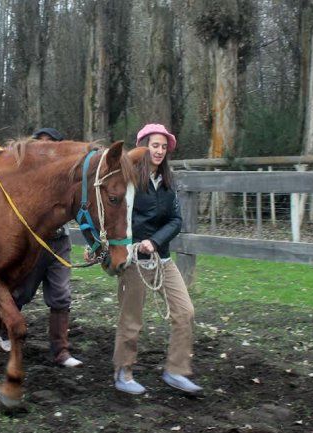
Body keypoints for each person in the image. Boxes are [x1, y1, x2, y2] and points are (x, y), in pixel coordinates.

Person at [112, 123, 202, 394]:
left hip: (161, 258)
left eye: (164, 146)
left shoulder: (167, 183)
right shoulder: (127, 181)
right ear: (142, 146)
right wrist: (134, 244)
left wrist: (156, 241)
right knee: (131, 319)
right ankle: (123, 372)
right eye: (154, 145)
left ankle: (176, 371)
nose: (160, 151)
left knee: (185, 311)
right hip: (134, 260)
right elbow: (116, 217)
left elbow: (176, 220)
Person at [0, 127, 82, 368]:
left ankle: (61, 351)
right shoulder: (27, 180)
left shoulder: (67, 179)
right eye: (40, 144)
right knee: (23, 292)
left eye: (50, 144)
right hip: (34, 242)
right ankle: (5, 329)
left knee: (61, 295)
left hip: (60, 242)